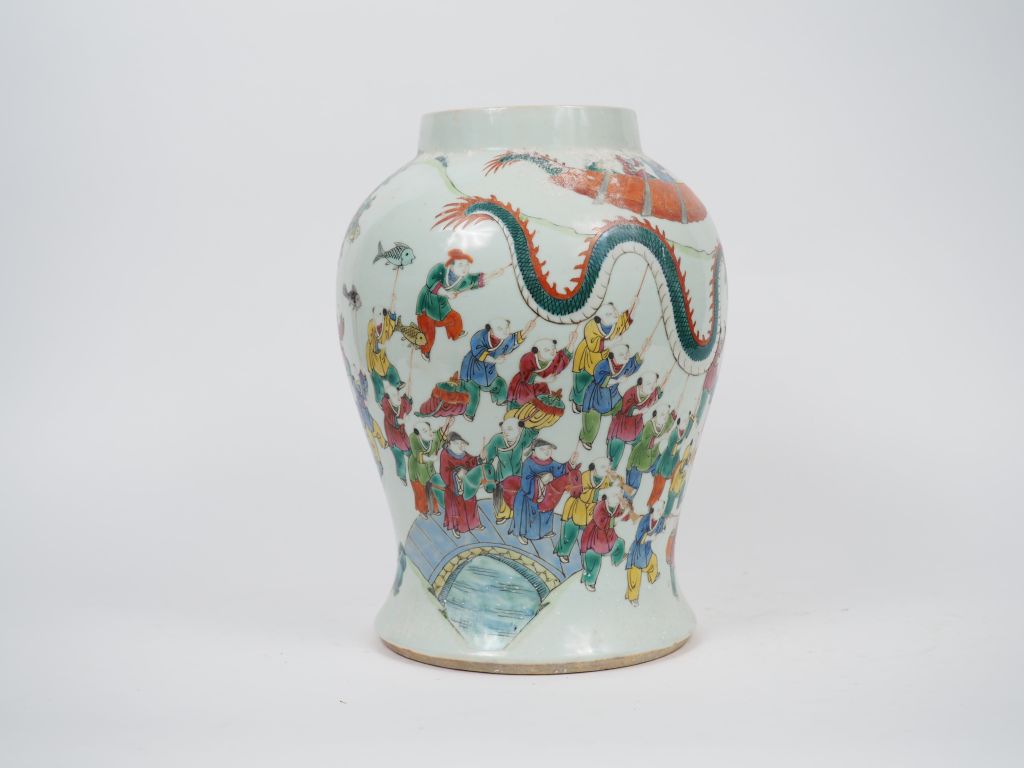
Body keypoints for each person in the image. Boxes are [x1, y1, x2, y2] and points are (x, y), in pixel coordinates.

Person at [415, 249, 506, 360]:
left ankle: (455, 334)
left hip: (442, 305)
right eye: (460, 264)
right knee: (428, 330)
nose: (464, 268)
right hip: (427, 303)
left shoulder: (464, 279)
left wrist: (494, 274)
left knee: (455, 318)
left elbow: (475, 280)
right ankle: (425, 350)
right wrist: (446, 293)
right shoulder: (440, 268)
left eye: (466, 265)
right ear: (451, 264)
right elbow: (431, 281)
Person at [459, 318, 536, 420]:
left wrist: (527, 330)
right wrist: (495, 360)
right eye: (500, 329)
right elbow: (479, 353)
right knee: (473, 395)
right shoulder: (479, 337)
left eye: (507, 328)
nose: (505, 331)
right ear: (491, 331)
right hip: (472, 371)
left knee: (500, 384)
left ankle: (501, 400)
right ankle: (469, 413)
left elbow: (514, 339)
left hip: (489, 372)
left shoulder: (504, 338)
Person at [578, 340, 648, 450]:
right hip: (597, 396)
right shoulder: (603, 365)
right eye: (621, 355)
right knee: (592, 420)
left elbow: (633, 364)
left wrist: (643, 351)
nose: (626, 356)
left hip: (613, 395)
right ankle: (587, 439)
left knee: (622, 410)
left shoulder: (625, 364)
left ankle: (616, 434)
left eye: (627, 353)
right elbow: (599, 379)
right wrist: (617, 380)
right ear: (612, 356)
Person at [511, 440, 579, 544]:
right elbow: (526, 483)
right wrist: (541, 481)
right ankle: (522, 533)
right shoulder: (528, 463)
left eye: (549, 449)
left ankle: (544, 531)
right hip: (529, 495)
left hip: (546, 493)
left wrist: (571, 463)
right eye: (542, 449)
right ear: (534, 451)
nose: (546, 451)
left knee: (547, 510)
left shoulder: (551, 462)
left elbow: (561, 470)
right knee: (527, 511)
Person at [570, 303, 632, 412]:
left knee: (595, 381)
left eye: (615, 311)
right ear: (600, 318)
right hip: (586, 358)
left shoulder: (615, 322)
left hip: (602, 359)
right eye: (609, 314)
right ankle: (577, 401)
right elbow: (593, 346)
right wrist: (612, 342)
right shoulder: (591, 326)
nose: (615, 314)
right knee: (582, 381)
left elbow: (624, 321)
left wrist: (634, 304)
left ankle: (589, 401)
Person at [556, 458, 614, 563]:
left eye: (608, 467)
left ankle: (586, 555)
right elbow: (582, 494)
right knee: (569, 532)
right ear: (594, 468)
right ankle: (563, 552)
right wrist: (600, 493)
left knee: (590, 534)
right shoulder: (585, 476)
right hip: (577, 508)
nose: (607, 470)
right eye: (603, 467)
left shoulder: (607, 480)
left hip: (592, 511)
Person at [484, 418, 539, 523]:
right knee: (502, 497)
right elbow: (488, 455)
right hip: (502, 476)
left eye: (510, 429)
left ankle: (516, 513)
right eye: (504, 430)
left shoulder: (522, 437)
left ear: (519, 429)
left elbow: (534, 431)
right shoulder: (497, 439)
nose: (506, 433)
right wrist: (484, 458)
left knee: (517, 495)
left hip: (518, 474)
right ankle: (502, 514)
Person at [606, 374, 663, 469]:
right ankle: (612, 468)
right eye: (649, 384)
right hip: (623, 424)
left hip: (637, 425)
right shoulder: (631, 392)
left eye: (654, 383)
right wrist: (640, 411)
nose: (652, 386)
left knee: (641, 443)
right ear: (640, 384)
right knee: (617, 446)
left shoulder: (651, 393)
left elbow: (658, 391)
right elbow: (627, 408)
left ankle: (633, 465)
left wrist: (667, 376)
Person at [579, 484, 629, 591]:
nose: (619, 498)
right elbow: (602, 523)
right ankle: (589, 581)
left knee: (620, 543)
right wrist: (623, 515)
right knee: (594, 561)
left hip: (609, 537)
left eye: (620, 496)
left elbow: (625, 518)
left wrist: (624, 509)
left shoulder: (617, 505)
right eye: (616, 495)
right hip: (595, 539)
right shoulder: (600, 506)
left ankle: (617, 559)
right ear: (608, 495)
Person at [507, 332, 576, 409]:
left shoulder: (553, 359)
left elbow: (563, 357)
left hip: (541, 388)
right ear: (537, 351)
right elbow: (527, 376)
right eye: (547, 350)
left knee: (540, 407)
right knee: (522, 406)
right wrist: (545, 380)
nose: (552, 352)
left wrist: (572, 342)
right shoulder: (527, 359)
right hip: (524, 387)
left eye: (554, 349)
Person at [343, 355, 386, 476]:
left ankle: (384, 443)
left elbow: (365, 386)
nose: (355, 368)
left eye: (355, 366)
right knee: (372, 431)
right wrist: (364, 400)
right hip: (366, 411)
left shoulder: (362, 379)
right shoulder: (356, 381)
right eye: (353, 367)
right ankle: (381, 461)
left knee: (375, 427)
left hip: (368, 410)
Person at [625, 501, 671, 605]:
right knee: (635, 573)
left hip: (647, 548)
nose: (661, 512)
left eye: (661, 509)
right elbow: (638, 536)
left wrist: (666, 525)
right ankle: (633, 597)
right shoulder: (645, 520)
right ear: (653, 510)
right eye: (659, 510)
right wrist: (649, 537)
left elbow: (661, 529)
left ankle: (653, 578)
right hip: (638, 549)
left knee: (653, 559)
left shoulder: (660, 520)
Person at [439, 431, 484, 537]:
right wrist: (456, 474)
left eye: (461, 443)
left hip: (466, 485)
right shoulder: (445, 454)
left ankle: (474, 523)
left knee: (471, 503)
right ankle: (456, 527)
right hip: (454, 488)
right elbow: (444, 472)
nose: (460, 445)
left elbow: (472, 461)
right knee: (456, 507)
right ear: (449, 443)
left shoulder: (463, 454)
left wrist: (479, 458)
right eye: (456, 443)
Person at [624, 410, 677, 498]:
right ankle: (626, 501)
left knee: (660, 462)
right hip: (638, 462)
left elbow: (667, 425)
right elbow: (646, 443)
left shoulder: (662, 426)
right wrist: (661, 439)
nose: (664, 418)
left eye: (666, 416)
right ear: (655, 417)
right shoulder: (649, 426)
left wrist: (673, 415)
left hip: (651, 460)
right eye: (662, 415)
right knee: (632, 487)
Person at [366, 306, 404, 403]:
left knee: (392, 371)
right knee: (378, 383)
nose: (380, 316)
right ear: (373, 315)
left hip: (383, 360)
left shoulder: (384, 323)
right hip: (374, 361)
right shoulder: (371, 326)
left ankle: (397, 383)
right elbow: (371, 339)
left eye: (381, 314)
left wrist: (393, 315)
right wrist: (377, 346)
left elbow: (390, 329)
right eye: (378, 314)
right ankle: (380, 399)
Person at [408, 421, 446, 516]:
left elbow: (439, 437)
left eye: (429, 429)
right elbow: (417, 455)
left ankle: (435, 509)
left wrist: (446, 425)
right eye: (425, 431)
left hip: (430, 470)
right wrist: (429, 458)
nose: (429, 432)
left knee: (433, 488)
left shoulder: (432, 438)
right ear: (418, 434)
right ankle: (423, 510)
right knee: (420, 492)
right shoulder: (414, 439)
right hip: (417, 471)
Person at [648, 416, 686, 506]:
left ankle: (652, 505)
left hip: (669, 467)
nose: (685, 424)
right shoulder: (674, 434)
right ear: (679, 423)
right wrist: (678, 447)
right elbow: (672, 447)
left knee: (660, 490)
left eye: (685, 423)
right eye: (684, 422)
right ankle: (650, 505)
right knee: (657, 488)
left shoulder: (682, 434)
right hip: (664, 466)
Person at [379, 384, 413, 484]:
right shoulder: (387, 408)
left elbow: (407, 407)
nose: (398, 397)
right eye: (394, 395)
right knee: (399, 458)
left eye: (398, 394)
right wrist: (403, 421)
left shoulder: (401, 401)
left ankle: (415, 468)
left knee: (410, 451)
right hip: (393, 440)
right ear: (388, 399)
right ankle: (402, 477)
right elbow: (392, 419)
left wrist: (408, 398)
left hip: (402, 435)